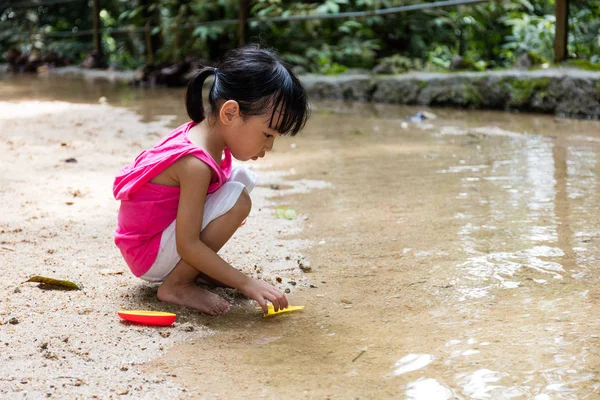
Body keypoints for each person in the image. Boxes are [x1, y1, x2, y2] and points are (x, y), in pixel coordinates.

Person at [113, 46, 310, 315]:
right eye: (267, 134)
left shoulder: (203, 134)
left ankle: (195, 272)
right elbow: (188, 244)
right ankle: (177, 285)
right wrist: (246, 282)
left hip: (151, 242)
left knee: (240, 179)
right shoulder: (195, 164)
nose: (269, 146)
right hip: (149, 254)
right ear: (231, 113)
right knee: (238, 200)